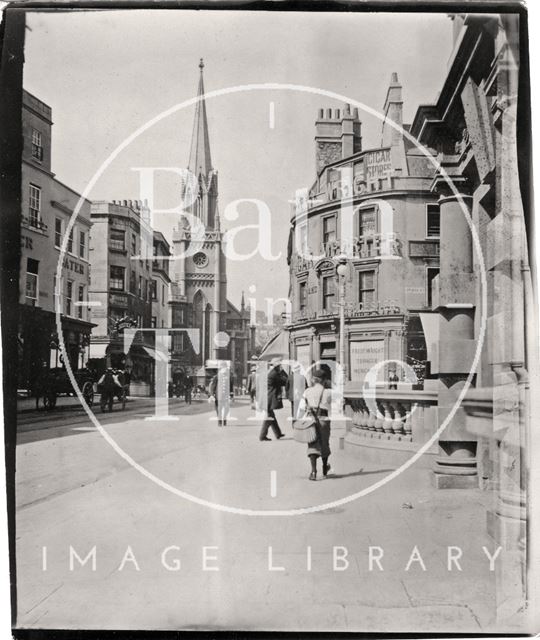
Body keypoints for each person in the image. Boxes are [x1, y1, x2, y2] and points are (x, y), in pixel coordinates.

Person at [298, 369, 332, 480]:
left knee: (312, 444)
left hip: (310, 420)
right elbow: (334, 406)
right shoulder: (328, 392)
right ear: (324, 380)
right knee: (324, 443)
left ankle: (313, 472)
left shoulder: (307, 391)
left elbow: (302, 408)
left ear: (314, 380)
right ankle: (324, 470)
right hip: (324, 420)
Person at [259, 357, 288, 441]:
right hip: (269, 398)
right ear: (277, 365)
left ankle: (278, 433)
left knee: (271, 416)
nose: (281, 366)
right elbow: (285, 381)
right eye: (280, 365)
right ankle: (262, 436)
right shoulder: (274, 374)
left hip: (266, 397)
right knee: (269, 417)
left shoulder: (271, 372)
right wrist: (282, 371)